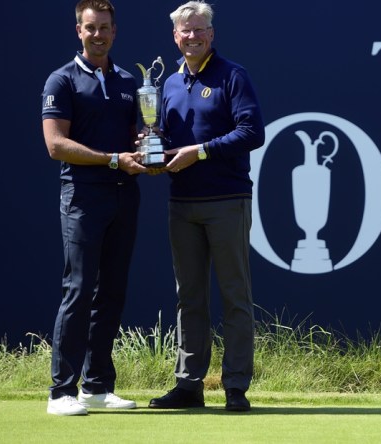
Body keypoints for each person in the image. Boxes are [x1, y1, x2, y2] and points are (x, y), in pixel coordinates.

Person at [146, 1, 265, 412]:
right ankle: (188, 385)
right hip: (182, 203)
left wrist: (200, 152)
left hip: (227, 200)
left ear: (211, 34)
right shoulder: (170, 84)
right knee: (189, 297)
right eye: (185, 31)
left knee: (234, 295)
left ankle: (235, 386)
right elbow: (161, 133)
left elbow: (252, 132)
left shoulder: (233, 76)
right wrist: (150, 147)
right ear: (175, 37)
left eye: (199, 30)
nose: (192, 37)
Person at [41, 0, 146, 416]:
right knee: (79, 289)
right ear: (79, 32)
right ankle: (60, 392)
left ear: (114, 31)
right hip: (83, 195)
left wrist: (142, 145)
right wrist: (111, 158)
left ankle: (98, 385)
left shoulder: (126, 81)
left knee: (112, 292)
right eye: (90, 28)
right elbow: (55, 144)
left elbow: (134, 135)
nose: (98, 34)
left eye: (105, 27)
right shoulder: (62, 80)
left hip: (124, 193)